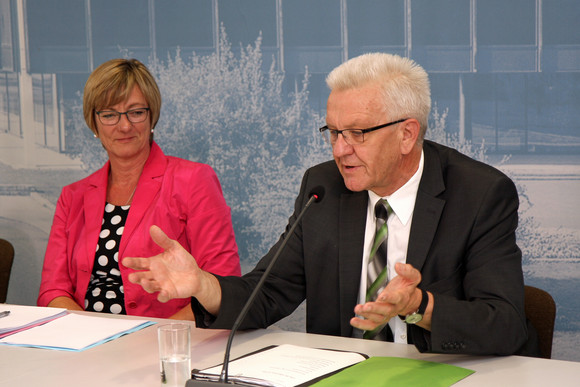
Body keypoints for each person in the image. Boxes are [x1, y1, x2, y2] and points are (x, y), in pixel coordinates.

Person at [123, 53, 538, 355]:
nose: (340, 151)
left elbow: (504, 325)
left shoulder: (481, 194)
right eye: (333, 131)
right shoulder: (323, 187)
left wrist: (419, 306)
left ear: (407, 134)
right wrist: (203, 285)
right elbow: (267, 293)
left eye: (357, 133)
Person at [38, 58, 241, 320]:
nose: (124, 126)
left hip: (163, 342)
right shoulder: (72, 196)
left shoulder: (194, 180)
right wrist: (89, 338)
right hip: (83, 344)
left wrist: (151, 344)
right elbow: (52, 290)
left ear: (151, 116)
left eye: (135, 112)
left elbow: (223, 283)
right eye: (109, 114)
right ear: (94, 123)